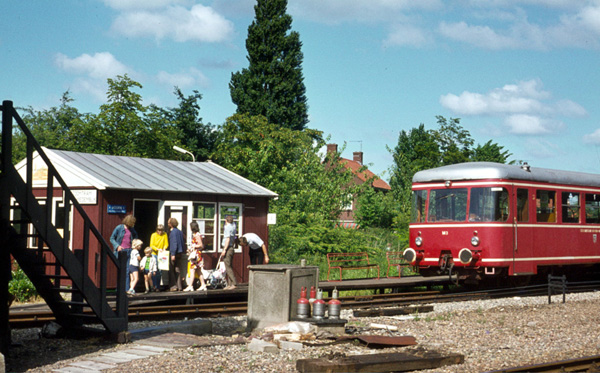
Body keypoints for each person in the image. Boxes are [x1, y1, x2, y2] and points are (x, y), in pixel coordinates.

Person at [110, 215, 138, 292]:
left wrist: (134, 244)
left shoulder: (132, 229)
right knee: (120, 270)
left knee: (127, 270)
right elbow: (112, 238)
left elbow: (135, 237)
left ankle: (125, 289)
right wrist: (117, 246)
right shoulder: (119, 228)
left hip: (129, 251)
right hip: (121, 252)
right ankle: (119, 288)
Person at [184, 221, 207, 292]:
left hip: (196, 255)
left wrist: (193, 246)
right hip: (197, 254)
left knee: (192, 270)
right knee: (198, 270)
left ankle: (190, 286)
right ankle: (203, 284)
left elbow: (201, 245)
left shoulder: (197, 235)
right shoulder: (196, 234)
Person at [168, 217, 187, 291]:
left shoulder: (173, 232)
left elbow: (174, 243)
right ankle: (179, 286)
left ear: (171, 224)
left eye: (169, 223)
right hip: (180, 253)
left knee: (171, 269)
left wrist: (172, 253)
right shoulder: (180, 231)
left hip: (175, 253)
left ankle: (173, 286)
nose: (168, 224)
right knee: (177, 269)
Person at [219, 215, 238, 290]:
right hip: (231, 248)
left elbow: (227, 239)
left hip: (228, 248)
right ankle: (230, 284)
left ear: (226, 220)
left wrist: (224, 249)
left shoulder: (227, 227)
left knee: (228, 266)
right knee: (229, 266)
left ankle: (234, 283)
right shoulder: (233, 227)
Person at [150, 224, 169, 291]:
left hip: (161, 254)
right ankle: (153, 286)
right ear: (156, 230)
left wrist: (164, 248)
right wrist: (158, 249)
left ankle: (158, 286)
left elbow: (166, 243)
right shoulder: (153, 235)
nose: (160, 232)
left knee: (160, 271)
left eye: (161, 230)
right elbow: (151, 245)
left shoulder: (165, 234)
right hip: (154, 254)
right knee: (154, 270)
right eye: (159, 230)